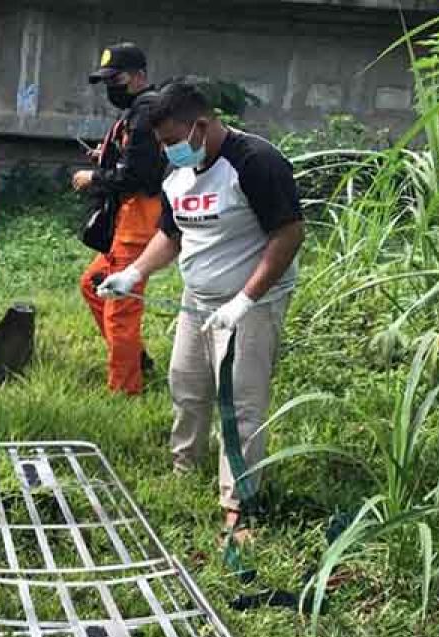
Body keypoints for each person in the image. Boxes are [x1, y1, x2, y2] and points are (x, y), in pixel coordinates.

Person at [98, 80, 305, 534]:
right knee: (187, 387)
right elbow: (171, 235)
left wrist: (244, 301)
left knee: (240, 403)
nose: (168, 150)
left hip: (251, 303)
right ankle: (185, 468)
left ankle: (240, 504)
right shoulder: (177, 174)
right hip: (196, 303)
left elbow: (288, 234)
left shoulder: (255, 163)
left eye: (173, 141)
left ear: (203, 126)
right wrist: (135, 273)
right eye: (161, 143)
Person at [75, 43, 165, 397]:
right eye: (107, 80)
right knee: (92, 283)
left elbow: (138, 175)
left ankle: (124, 391)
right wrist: (107, 154)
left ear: (140, 76)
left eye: (118, 79)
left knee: (120, 307)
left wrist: (94, 177)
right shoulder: (137, 110)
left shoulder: (145, 112)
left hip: (139, 220)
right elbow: (138, 159)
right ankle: (134, 358)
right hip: (127, 221)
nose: (112, 87)